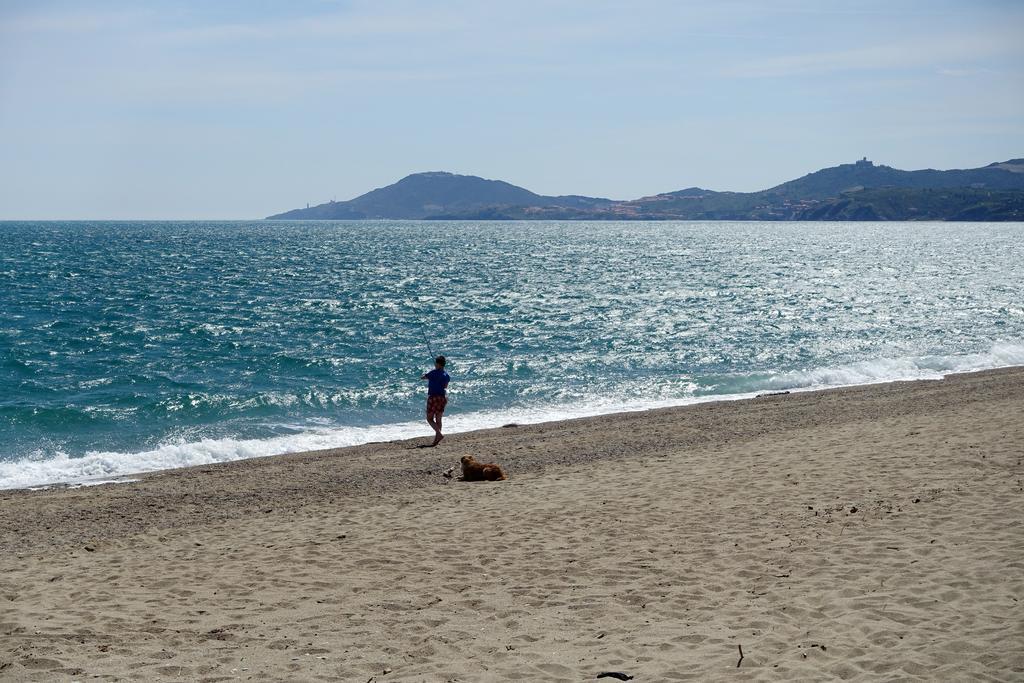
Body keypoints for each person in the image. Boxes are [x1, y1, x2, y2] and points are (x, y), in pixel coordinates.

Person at [421, 355, 450, 446]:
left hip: (433, 397)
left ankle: (439, 434)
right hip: (442, 397)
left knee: (429, 419)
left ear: (437, 364)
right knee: (438, 419)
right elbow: (445, 387)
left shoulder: (433, 373)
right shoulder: (446, 375)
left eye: (436, 363)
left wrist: (425, 376)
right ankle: (436, 440)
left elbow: (424, 377)